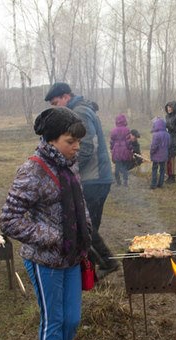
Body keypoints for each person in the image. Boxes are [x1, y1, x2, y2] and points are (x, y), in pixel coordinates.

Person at [0, 107, 92, 340]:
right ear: (51, 140)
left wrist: (84, 230)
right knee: (54, 319)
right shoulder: (33, 170)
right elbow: (9, 219)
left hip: (72, 257)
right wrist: (54, 237)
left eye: (77, 140)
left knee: (73, 319)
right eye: (70, 140)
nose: (76, 146)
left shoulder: (70, 165)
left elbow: (80, 204)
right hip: (45, 260)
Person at [44, 82, 120, 280]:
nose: (55, 107)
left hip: (94, 179)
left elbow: (86, 147)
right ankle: (91, 273)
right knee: (87, 226)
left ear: (66, 96)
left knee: (83, 226)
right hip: (94, 178)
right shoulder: (76, 112)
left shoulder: (80, 113)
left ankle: (108, 261)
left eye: (56, 102)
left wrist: (67, 168)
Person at [109, 113, 133, 187]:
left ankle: (118, 182)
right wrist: (130, 148)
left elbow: (111, 141)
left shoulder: (113, 130)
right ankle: (125, 182)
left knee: (117, 167)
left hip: (116, 150)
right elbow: (128, 141)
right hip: (125, 150)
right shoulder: (127, 130)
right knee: (125, 167)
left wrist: (111, 148)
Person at [164, 100, 176, 183]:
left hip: (175, 138)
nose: (169, 109)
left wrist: (170, 127)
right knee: (168, 157)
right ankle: (168, 174)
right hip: (168, 137)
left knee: (173, 157)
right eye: (168, 107)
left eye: (170, 107)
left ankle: (173, 176)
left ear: (174, 108)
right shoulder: (167, 116)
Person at [149, 117, 170, 189]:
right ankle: (160, 184)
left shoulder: (156, 135)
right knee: (162, 170)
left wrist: (151, 153)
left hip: (156, 156)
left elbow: (154, 146)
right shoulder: (167, 134)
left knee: (154, 169)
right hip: (164, 155)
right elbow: (169, 144)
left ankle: (153, 184)